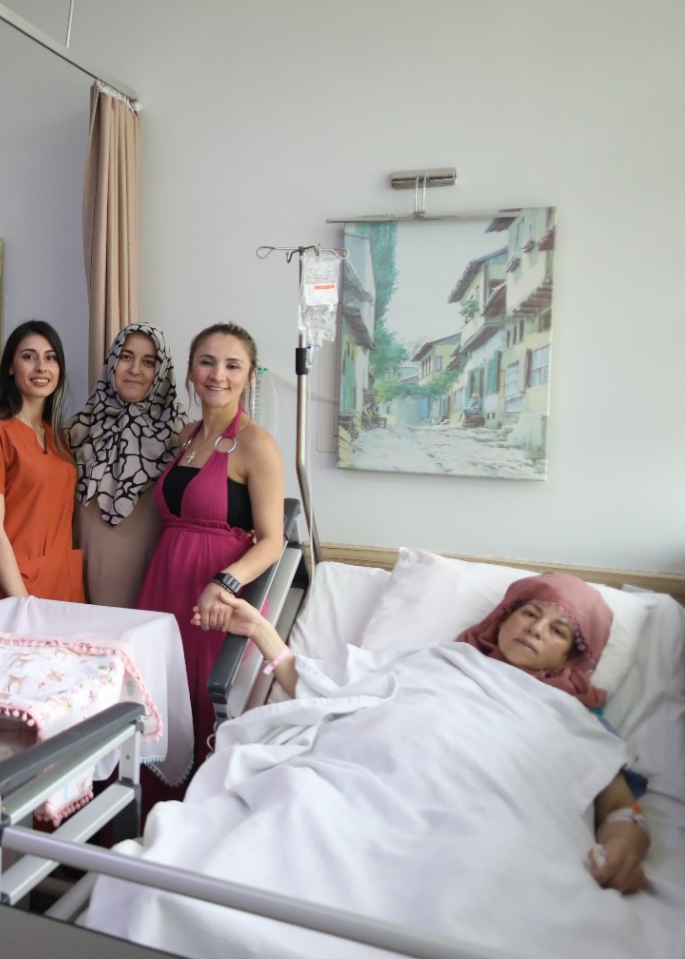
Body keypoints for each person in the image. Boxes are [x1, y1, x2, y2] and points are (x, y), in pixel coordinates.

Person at [203, 571, 651, 895]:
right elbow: (329, 692)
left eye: (557, 630)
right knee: (287, 816)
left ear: (571, 656)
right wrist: (260, 629)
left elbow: (619, 805)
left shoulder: (571, 716)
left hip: (476, 820)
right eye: (530, 613)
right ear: (504, 618)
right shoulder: (436, 658)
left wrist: (624, 843)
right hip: (351, 783)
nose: (535, 629)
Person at [135, 323, 284, 773]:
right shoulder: (186, 436)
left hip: (214, 598)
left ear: (250, 376)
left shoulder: (257, 445)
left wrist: (225, 584)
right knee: (153, 696)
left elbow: (272, 540)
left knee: (200, 702)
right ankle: (145, 810)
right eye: (207, 362)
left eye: (232, 365)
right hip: (165, 583)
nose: (218, 375)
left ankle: (196, 807)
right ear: (190, 371)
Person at [0, 320, 84, 606]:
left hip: (61, 588)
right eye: (29, 357)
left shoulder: (59, 438)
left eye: (50, 358)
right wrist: (24, 604)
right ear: (10, 366)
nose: (41, 367)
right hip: (10, 592)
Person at [68, 323, 187, 608]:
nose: (135, 369)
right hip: (77, 582)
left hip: (148, 584)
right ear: (112, 361)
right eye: (126, 356)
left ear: (162, 371)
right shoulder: (76, 431)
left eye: (149, 362)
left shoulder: (183, 438)